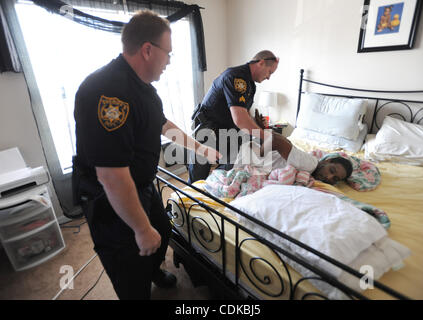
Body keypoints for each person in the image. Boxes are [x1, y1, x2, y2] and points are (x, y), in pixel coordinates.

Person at [72, 10, 221, 300]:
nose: (168, 61)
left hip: (141, 184)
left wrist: (201, 148)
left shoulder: (144, 90)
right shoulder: (107, 92)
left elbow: (162, 124)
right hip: (109, 197)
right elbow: (111, 176)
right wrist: (140, 228)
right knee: (129, 265)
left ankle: (153, 271)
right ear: (148, 50)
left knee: (162, 231)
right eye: (168, 54)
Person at [188, 50, 279, 183]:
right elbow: (240, 119)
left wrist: (260, 129)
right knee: (196, 180)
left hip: (227, 132)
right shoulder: (235, 77)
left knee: (230, 170)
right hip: (208, 131)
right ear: (261, 63)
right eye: (269, 72)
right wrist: (266, 136)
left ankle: (214, 191)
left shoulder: (250, 85)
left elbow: (245, 114)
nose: (269, 77)